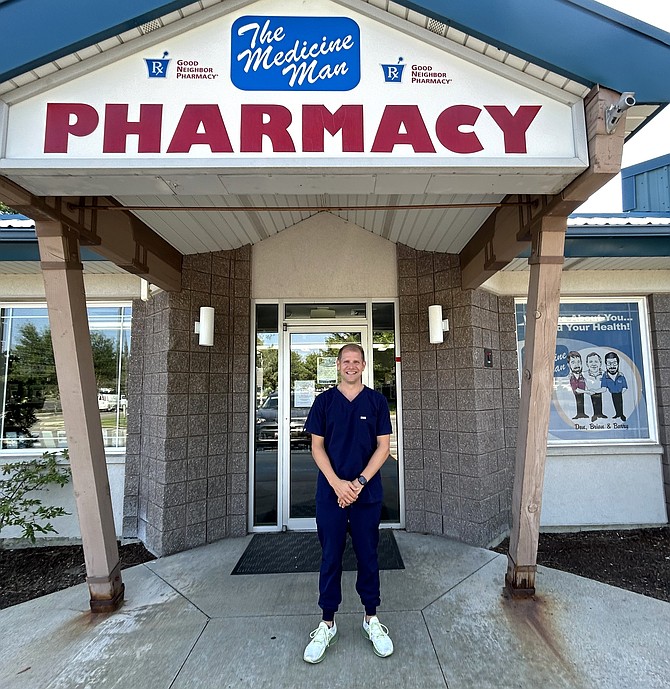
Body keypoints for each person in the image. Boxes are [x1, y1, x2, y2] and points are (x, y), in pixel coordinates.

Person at [302, 343, 394, 664]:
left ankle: (371, 619)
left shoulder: (377, 401)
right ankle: (327, 622)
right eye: (346, 361)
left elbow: (383, 448)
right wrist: (338, 484)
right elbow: (316, 447)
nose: (351, 366)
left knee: (368, 556)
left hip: (366, 495)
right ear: (338, 365)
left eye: (357, 361)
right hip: (331, 495)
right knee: (330, 557)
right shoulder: (324, 402)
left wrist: (358, 483)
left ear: (364, 365)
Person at [601, 351, 628, 421]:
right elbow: (603, 387)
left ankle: (621, 414)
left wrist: (622, 391)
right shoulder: (605, 376)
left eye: (614, 363)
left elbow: (625, 386)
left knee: (620, 403)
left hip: (619, 393)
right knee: (615, 403)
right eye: (609, 364)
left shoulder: (621, 376)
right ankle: (617, 414)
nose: (612, 366)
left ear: (618, 364)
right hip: (612, 392)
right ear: (606, 365)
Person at [585, 351, 607, 423]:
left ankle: (600, 414)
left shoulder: (605, 374)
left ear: (600, 363)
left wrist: (595, 390)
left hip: (600, 392)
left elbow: (605, 387)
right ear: (587, 364)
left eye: (596, 361)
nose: (593, 364)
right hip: (589, 394)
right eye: (591, 362)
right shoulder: (584, 374)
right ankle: (595, 415)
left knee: (599, 401)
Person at [568, 351, 588, 420]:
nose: (577, 365)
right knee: (578, 401)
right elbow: (575, 389)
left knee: (582, 401)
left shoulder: (584, 376)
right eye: (573, 362)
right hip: (577, 392)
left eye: (579, 362)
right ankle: (579, 414)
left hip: (582, 392)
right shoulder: (571, 377)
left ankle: (582, 413)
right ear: (569, 365)